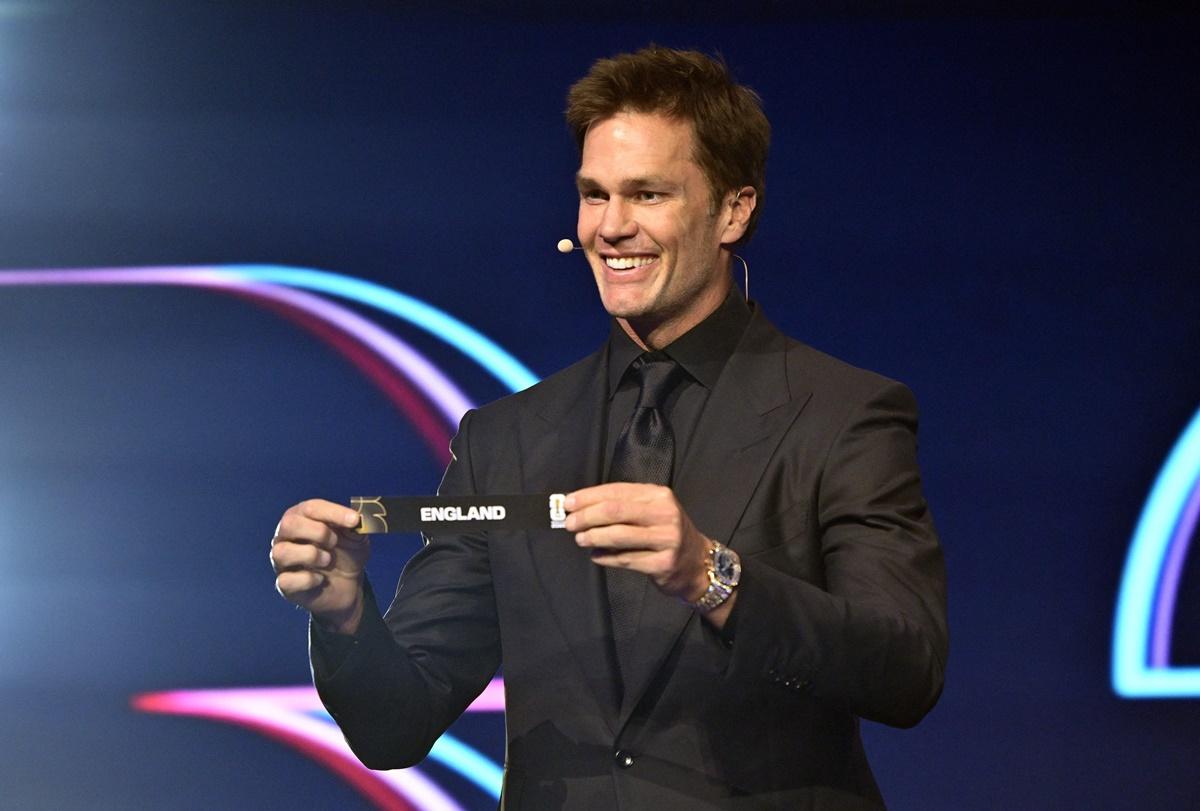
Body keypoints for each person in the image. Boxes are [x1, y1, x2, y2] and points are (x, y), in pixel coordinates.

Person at [270, 45, 947, 809]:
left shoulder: (842, 411)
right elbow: (395, 725)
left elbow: (908, 669)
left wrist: (713, 575)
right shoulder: (504, 438)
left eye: (648, 194)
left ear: (734, 210)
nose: (612, 227)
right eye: (595, 195)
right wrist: (347, 616)